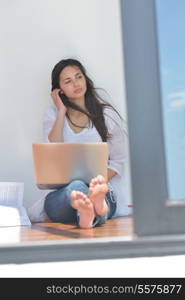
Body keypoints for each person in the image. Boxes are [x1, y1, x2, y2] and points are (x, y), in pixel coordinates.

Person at [28, 58, 132, 228]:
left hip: (102, 190)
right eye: (68, 81)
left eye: (79, 77)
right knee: (75, 188)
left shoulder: (105, 115)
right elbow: (53, 148)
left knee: (84, 189)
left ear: (85, 79)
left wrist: (94, 184)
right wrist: (61, 110)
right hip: (66, 194)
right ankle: (93, 209)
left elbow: (118, 161)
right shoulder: (53, 116)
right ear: (59, 90)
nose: (76, 83)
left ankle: (92, 210)